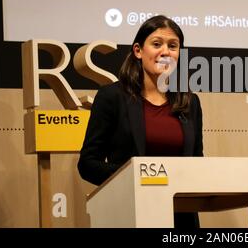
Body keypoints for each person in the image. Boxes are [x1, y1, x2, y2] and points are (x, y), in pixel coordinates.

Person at [78, 15, 203, 228]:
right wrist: (136, 178)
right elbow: (88, 164)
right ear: (138, 51)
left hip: (181, 219)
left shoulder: (190, 102)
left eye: (173, 46)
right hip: (130, 213)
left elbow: (197, 159)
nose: (165, 52)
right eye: (157, 44)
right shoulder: (112, 96)